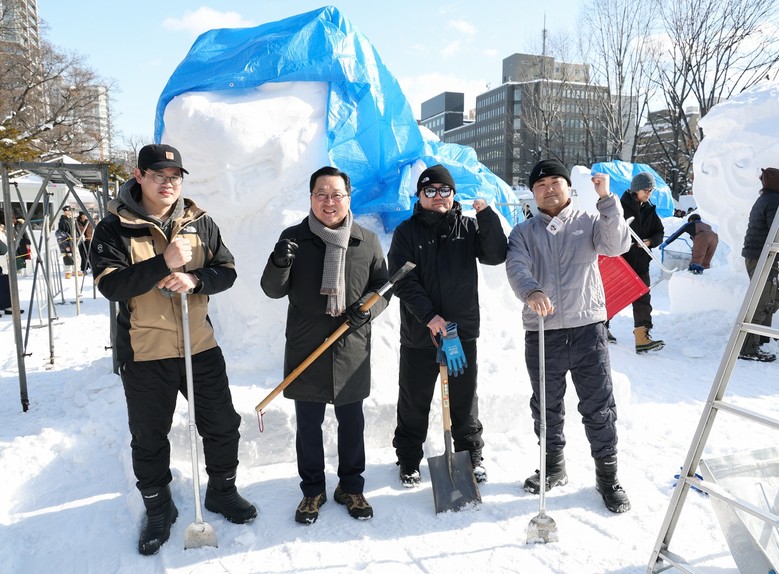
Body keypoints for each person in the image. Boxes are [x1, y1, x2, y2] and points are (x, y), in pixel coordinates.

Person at [90, 144, 256, 556]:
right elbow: (111, 285)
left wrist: (195, 280)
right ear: (139, 175)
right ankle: (158, 508)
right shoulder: (113, 228)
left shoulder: (199, 223)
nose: (168, 183)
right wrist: (163, 263)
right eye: (159, 175)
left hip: (199, 345)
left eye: (175, 176)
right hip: (145, 351)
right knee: (149, 436)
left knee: (222, 424)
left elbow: (227, 271)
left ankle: (222, 490)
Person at [261, 165, 389, 524]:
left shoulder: (367, 241)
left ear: (348, 198)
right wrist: (279, 262)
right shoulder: (293, 238)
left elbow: (382, 289)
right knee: (308, 426)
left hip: (351, 348)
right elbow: (272, 290)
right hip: (307, 347)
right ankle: (312, 490)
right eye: (321, 194)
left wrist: (368, 310)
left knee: (352, 425)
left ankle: (351, 486)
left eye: (336, 195)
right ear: (311, 198)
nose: (329, 202)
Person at [506, 159, 633, 514]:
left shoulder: (589, 222)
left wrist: (607, 200)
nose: (549, 188)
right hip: (542, 330)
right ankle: (553, 468)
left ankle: (608, 478)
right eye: (540, 184)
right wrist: (531, 291)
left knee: (598, 406)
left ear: (567, 187)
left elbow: (616, 245)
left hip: (587, 328)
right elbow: (516, 266)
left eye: (555, 182)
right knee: (546, 406)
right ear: (533, 193)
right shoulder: (523, 233)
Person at [387, 164, 507, 487]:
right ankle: (409, 458)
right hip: (419, 334)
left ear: (453, 195)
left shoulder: (468, 228)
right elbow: (401, 280)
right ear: (420, 196)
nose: (437, 196)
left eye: (444, 190)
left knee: (464, 400)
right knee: (413, 400)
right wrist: (429, 316)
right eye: (430, 190)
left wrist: (486, 217)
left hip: (460, 333)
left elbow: (496, 254)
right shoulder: (406, 233)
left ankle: (470, 456)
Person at [619, 171, 665, 353]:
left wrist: (650, 241)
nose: (649, 194)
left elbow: (659, 232)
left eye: (651, 190)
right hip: (622, 262)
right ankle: (602, 327)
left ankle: (642, 337)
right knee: (614, 296)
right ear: (636, 189)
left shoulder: (650, 210)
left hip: (641, 263)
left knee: (643, 299)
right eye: (646, 190)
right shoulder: (620, 207)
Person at [738, 167, 779, 362]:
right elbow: (776, 232)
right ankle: (748, 347)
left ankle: (761, 337)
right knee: (762, 301)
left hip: (759, 256)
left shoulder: (766, 198)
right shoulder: (774, 200)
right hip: (762, 257)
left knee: (771, 298)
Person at [57, 206, 76, 278]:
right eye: (66, 211)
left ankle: (75, 270)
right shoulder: (63, 221)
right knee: (67, 255)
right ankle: (68, 272)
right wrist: (66, 241)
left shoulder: (71, 220)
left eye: (69, 211)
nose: (68, 212)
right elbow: (63, 233)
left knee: (76, 255)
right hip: (66, 240)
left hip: (73, 240)